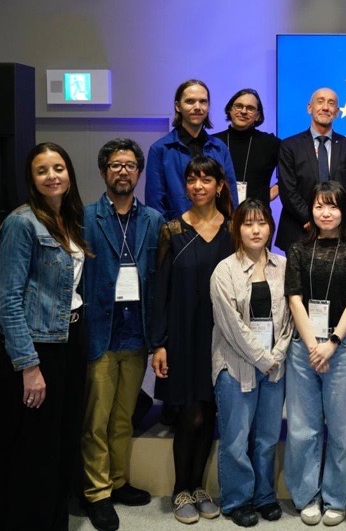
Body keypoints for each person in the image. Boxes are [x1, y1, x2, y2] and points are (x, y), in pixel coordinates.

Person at [0, 142, 92, 530]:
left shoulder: (69, 217)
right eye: (42, 170)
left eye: (58, 168)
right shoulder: (21, 223)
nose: (52, 176)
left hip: (72, 337)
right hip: (40, 346)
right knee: (38, 448)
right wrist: (29, 365)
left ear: (69, 173)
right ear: (31, 179)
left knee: (65, 441)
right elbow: (8, 300)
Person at [81, 139, 165, 531]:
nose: (123, 171)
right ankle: (96, 493)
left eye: (130, 165)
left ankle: (117, 481)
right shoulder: (85, 218)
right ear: (103, 171)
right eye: (115, 165)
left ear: (139, 172)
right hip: (101, 328)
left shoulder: (153, 220)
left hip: (136, 330)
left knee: (123, 417)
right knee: (96, 419)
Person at [148, 156, 234, 524]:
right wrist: (159, 343)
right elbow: (160, 290)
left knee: (210, 410)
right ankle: (181, 489)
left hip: (221, 337)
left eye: (206, 179)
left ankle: (199, 487)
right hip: (182, 336)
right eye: (192, 179)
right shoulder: (171, 230)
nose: (198, 186)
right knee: (189, 414)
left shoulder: (233, 229)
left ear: (219, 185)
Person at [283, 182, 346, 526]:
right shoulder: (298, 249)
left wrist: (331, 341)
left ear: (344, 210)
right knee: (303, 427)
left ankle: (337, 497)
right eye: (319, 206)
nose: (326, 213)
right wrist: (313, 344)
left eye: (332, 206)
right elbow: (294, 298)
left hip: (343, 347)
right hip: (304, 348)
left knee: (344, 428)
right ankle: (306, 495)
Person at [211, 199, 293, 527]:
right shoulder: (224, 271)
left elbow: (290, 318)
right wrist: (262, 358)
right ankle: (237, 500)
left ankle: (264, 496)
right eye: (248, 223)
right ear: (237, 229)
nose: (256, 230)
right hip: (236, 366)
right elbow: (231, 325)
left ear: (271, 227)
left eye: (262, 223)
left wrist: (277, 355)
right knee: (235, 439)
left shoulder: (283, 266)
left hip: (273, 367)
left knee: (267, 437)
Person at [276, 88, 346, 253]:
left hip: (341, 232)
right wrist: (311, 218)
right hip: (299, 229)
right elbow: (288, 190)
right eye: (320, 101)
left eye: (331, 103)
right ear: (309, 107)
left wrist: (335, 219)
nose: (325, 107)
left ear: (337, 112)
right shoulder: (290, 146)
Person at [146, 79, 239, 219]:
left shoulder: (220, 148)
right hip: (176, 229)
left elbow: (231, 197)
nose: (197, 107)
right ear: (178, 106)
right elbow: (155, 204)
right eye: (190, 101)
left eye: (203, 101)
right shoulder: (160, 149)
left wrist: (231, 225)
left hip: (218, 228)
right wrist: (169, 231)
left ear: (208, 106)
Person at [213, 88, 281, 206]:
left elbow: (293, 173)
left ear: (258, 115)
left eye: (250, 108)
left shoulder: (271, 143)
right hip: (218, 212)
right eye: (238, 106)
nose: (243, 111)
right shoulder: (213, 142)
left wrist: (269, 194)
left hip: (257, 213)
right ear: (230, 110)